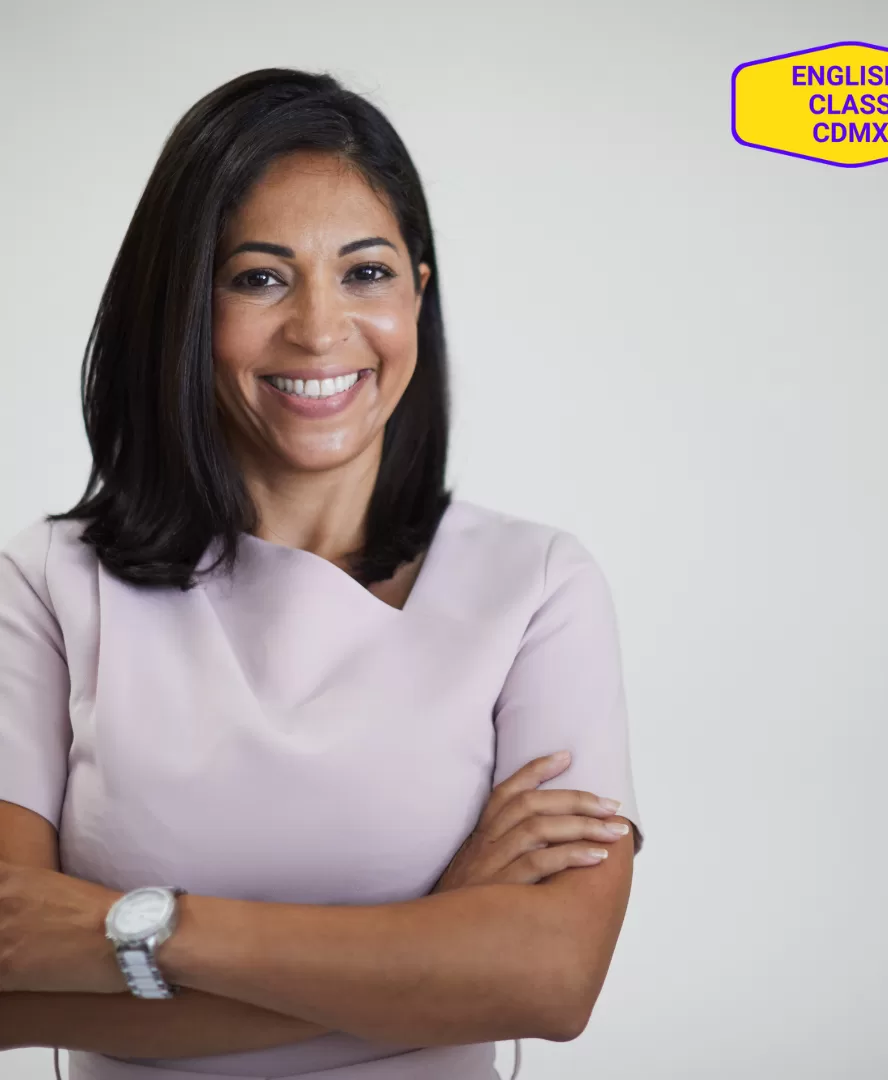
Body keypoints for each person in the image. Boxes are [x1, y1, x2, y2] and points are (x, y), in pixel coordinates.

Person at [0, 68, 645, 1080]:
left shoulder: (537, 588)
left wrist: (136, 931)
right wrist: (434, 939)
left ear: (418, 296)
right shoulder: (47, 584)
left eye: (366, 273)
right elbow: (6, 985)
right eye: (259, 277)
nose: (317, 327)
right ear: (184, 307)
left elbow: (552, 980)